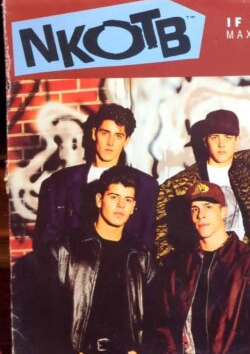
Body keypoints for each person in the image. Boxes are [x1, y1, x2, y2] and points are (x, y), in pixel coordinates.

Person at [12, 166, 156, 354]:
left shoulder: (142, 256)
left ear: (134, 207)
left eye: (128, 200)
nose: (120, 206)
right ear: (99, 200)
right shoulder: (65, 249)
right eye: (114, 197)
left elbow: (157, 316)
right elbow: (35, 309)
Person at [156, 80, 250, 261]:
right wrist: (185, 268)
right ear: (205, 141)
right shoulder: (180, 185)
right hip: (207, 263)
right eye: (215, 137)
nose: (221, 144)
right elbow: (162, 235)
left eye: (228, 137)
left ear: (236, 141)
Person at [150, 181, 250, 354]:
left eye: (208, 207)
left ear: (223, 212)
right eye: (194, 209)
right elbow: (164, 321)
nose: (201, 214)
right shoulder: (178, 264)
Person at [34, 103, 158, 249]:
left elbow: (147, 241)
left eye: (118, 136)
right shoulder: (59, 182)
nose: (110, 142)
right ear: (94, 133)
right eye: (105, 133)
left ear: (126, 140)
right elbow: (47, 241)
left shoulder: (145, 186)